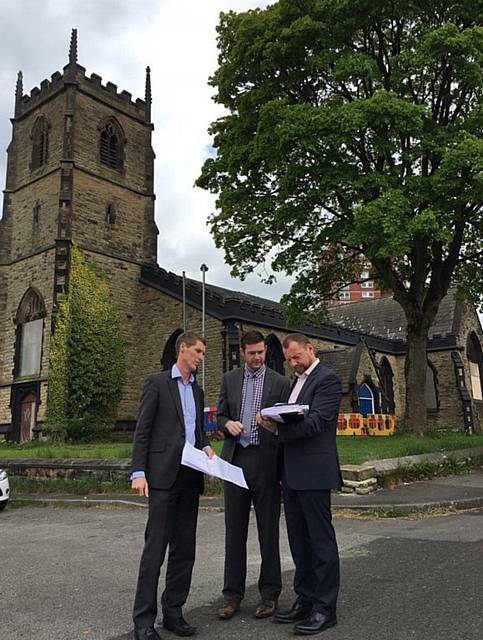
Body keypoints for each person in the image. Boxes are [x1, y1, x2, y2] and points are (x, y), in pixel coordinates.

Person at [130, 331, 215, 640]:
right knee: (155, 551)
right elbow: (143, 431)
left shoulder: (198, 391)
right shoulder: (157, 384)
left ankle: (174, 613)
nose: (201, 358)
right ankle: (143, 621)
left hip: (190, 479)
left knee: (184, 551)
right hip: (162, 478)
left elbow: (197, 432)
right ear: (183, 349)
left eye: (203, 354)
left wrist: (206, 447)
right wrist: (138, 471)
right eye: (198, 352)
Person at [258, 333, 342, 635]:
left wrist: (277, 431)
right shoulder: (295, 382)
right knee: (298, 541)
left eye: (297, 357)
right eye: (289, 359)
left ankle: (325, 607)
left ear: (311, 349)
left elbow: (317, 422)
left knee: (320, 542)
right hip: (291, 473)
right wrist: (271, 421)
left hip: (315, 472)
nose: (293, 363)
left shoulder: (327, 379)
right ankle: (305, 599)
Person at [216, 330, 291, 621]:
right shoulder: (229, 379)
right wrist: (228, 424)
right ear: (243, 352)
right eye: (252, 353)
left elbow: (289, 422)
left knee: (268, 531)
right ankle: (232, 596)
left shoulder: (281, 383)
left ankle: (269, 594)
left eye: (261, 353)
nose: (257, 357)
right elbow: (219, 416)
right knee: (234, 532)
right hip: (236, 460)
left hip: (266, 460)